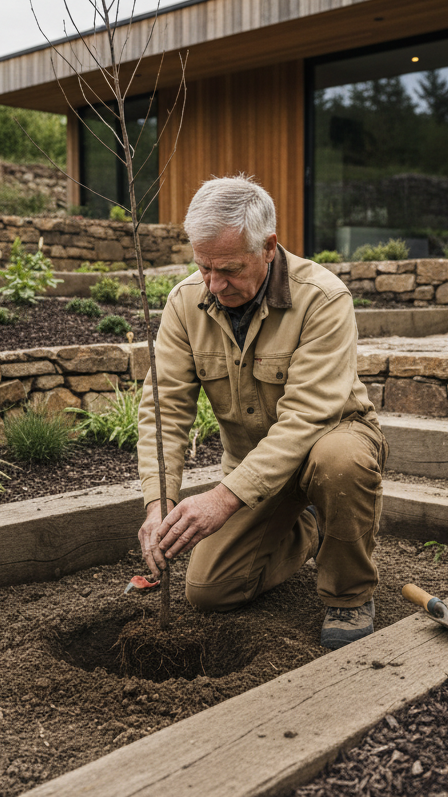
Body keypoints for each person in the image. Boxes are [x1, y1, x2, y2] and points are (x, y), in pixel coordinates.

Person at [136, 175, 388, 649]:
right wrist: (159, 502)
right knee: (209, 592)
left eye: (229, 269)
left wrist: (222, 500)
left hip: (327, 443)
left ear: (268, 246)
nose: (214, 284)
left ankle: (349, 593)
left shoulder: (324, 299)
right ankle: (309, 528)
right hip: (253, 468)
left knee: (339, 463)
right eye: (204, 266)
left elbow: (306, 419)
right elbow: (164, 410)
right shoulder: (185, 302)